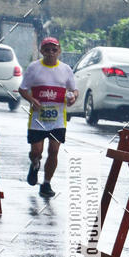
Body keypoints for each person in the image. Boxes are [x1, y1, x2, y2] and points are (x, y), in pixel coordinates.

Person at [19, 37, 78, 198]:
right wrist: (32, 100)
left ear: (59, 51)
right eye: (47, 49)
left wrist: (73, 98)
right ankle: (35, 163)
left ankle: (46, 184)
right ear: (41, 51)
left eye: (54, 49)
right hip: (38, 120)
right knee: (36, 151)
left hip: (58, 120)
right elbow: (22, 89)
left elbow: (74, 90)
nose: (51, 53)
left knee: (54, 150)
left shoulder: (66, 69)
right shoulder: (34, 68)